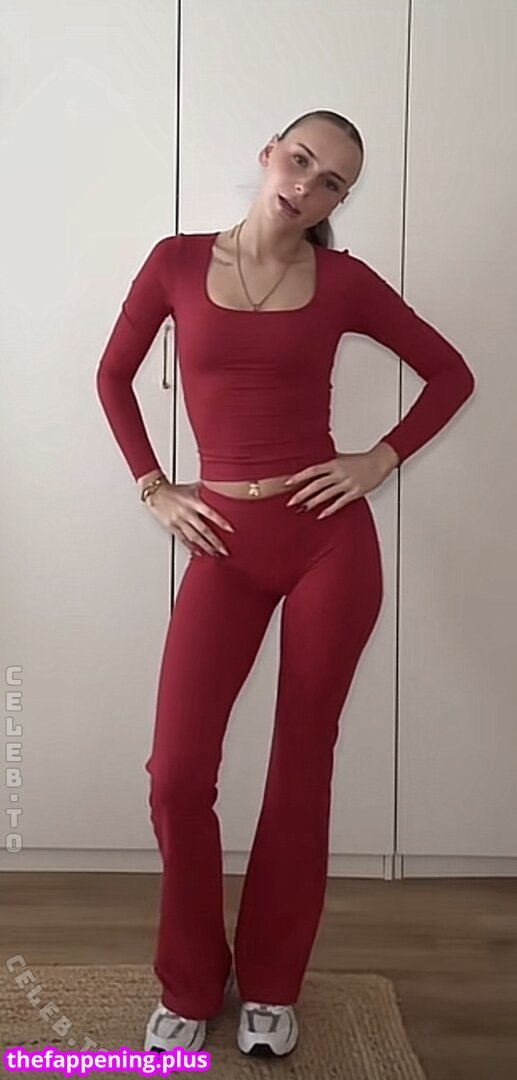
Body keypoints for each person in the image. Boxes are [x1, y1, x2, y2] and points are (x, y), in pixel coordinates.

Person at [95, 109, 476, 1059]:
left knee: (300, 768)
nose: (306, 186)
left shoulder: (343, 281)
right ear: (268, 153)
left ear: (340, 198)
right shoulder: (175, 262)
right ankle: (191, 981)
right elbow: (112, 376)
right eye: (299, 161)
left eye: (331, 181)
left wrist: (376, 460)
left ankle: (270, 983)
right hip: (223, 543)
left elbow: (449, 373)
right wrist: (154, 485)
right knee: (177, 774)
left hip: (326, 549)